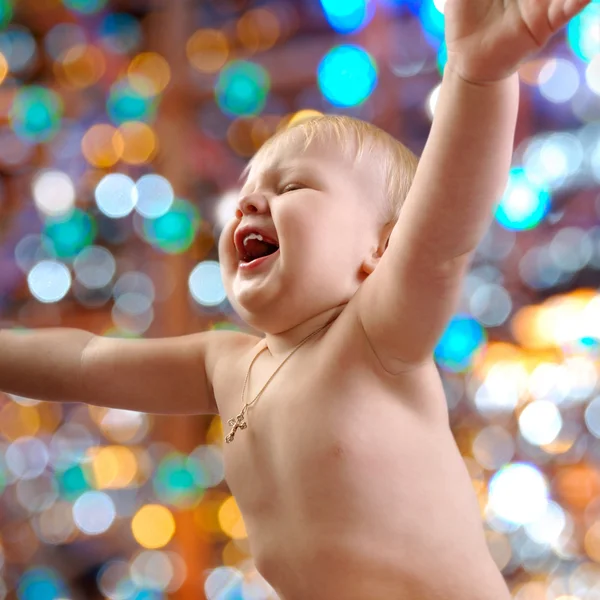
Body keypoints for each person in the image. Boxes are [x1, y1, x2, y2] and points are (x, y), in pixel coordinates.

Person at [0, 1, 590, 598]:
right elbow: (84, 363)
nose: (249, 204)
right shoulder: (225, 364)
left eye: (292, 186)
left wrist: (477, 73)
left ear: (381, 252)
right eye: (246, 194)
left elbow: (446, 225)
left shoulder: (375, 335)